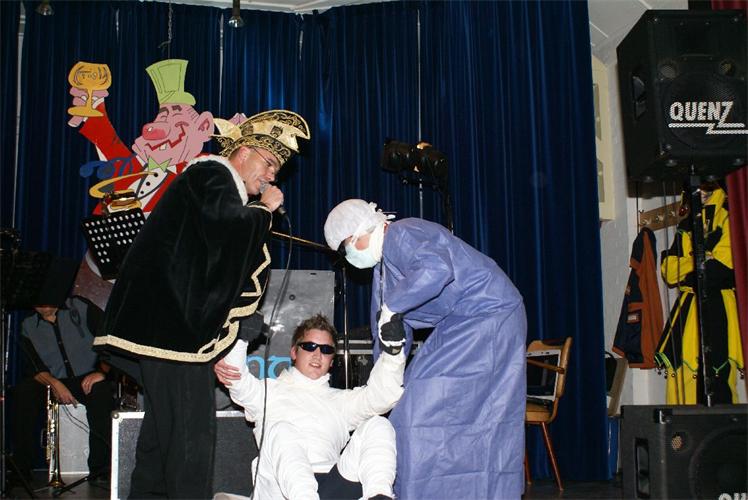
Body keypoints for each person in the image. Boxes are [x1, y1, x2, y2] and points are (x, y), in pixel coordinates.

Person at [93, 109, 310, 498]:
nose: (271, 176)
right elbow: (226, 232)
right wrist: (264, 210)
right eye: (269, 163)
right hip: (172, 335)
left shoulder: (210, 184)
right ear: (243, 152)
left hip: (166, 331)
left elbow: (208, 257)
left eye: (276, 170)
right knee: (190, 437)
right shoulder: (212, 174)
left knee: (162, 437)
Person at [323, 199, 527, 499]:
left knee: (427, 410)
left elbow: (436, 268)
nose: (349, 257)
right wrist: (383, 383)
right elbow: (386, 332)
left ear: (360, 231)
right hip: (460, 323)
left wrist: (394, 308)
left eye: (345, 249)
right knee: (410, 405)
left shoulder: (402, 233)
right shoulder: (383, 272)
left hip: (490, 313)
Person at [214, 314, 406, 500]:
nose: (317, 355)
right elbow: (236, 379)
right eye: (309, 346)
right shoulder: (267, 392)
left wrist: (393, 353)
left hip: (330, 486)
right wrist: (241, 336)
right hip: (279, 491)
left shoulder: (341, 402)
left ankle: (379, 496)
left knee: (378, 424)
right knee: (282, 430)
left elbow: (381, 397)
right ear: (294, 352)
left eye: (326, 350)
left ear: (332, 361)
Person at [11, 296, 114, 486]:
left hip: (88, 375)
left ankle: (101, 468)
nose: (43, 305)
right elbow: (34, 366)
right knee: (24, 392)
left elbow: (108, 339)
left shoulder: (80, 306)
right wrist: (54, 384)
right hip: (52, 379)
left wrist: (102, 372)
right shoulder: (28, 325)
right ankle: (21, 469)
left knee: (101, 393)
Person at [656, 183, 744, 404]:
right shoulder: (687, 223)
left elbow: (720, 268)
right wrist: (701, 260)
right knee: (681, 380)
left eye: (707, 188)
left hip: (719, 307)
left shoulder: (728, 215)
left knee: (718, 381)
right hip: (687, 309)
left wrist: (689, 265)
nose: (700, 193)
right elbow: (669, 270)